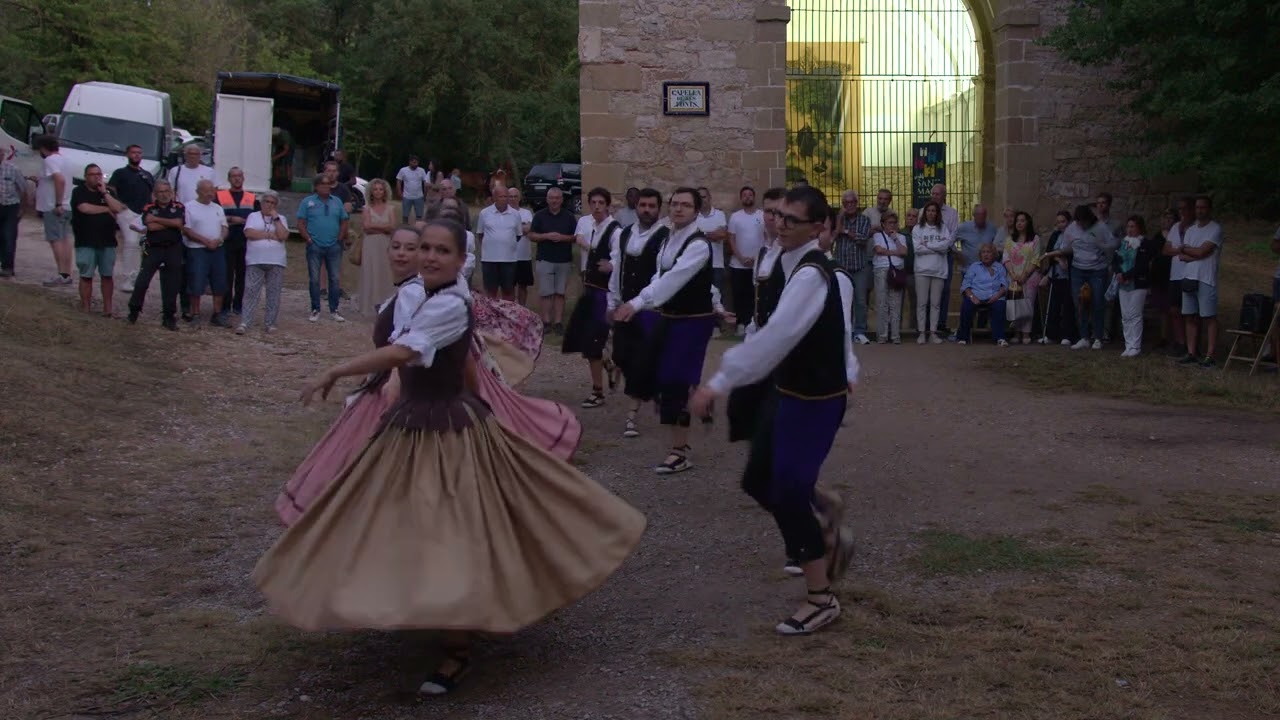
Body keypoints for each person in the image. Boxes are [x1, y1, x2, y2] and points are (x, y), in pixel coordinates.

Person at [254, 220, 646, 696]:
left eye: (442, 251)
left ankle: (458, 647)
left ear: (461, 261)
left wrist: (336, 371)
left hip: (447, 428)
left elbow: (405, 352)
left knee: (456, 529)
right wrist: (478, 403)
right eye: (424, 248)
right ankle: (410, 599)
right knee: (388, 517)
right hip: (409, 422)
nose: (429, 257)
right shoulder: (416, 294)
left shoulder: (451, 304)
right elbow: (463, 364)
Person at [690, 185, 857, 636]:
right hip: (786, 390)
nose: (779, 224)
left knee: (786, 492)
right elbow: (766, 330)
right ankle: (822, 520)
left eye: (790, 220)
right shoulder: (781, 259)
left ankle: (821, 598)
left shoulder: (813, 274)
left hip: (816, 400)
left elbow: (779, 335)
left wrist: (718, 382)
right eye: (777, 215)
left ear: (817, 228)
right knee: (757, 479)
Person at [613, 187, 732, 475]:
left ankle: (679, 452)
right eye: (675, 203)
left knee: (675, 381)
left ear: (696, 211)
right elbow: (659, 277)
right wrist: (637, 301)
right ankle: (696, 398)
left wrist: (637, 303)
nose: (678, 209)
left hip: (692, 322)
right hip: (670, 316)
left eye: (685, 205)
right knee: (649, 371)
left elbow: (674, 280)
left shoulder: (698, 244)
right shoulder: (669, 239)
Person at [608, 188, 668, 439]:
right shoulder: (624, 234)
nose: (646, 210)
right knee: (621, 356)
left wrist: (641, 302)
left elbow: (661, 276)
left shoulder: (665, 237)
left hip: (649, 310)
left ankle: (631, 416)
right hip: (624, 307)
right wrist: (612, 302)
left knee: (640, 361)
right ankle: (651, 385)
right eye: (643, 205)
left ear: (658, 209)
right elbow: (617, 270)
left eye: (651, 206)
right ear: (636, 207)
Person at [563, 187, 620, 409]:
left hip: (604, 294)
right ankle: (609, 365)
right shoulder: (594, 227)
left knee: (593, 341)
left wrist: (611, 266)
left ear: (607, 205)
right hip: (591, 289)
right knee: (586, 339)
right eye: (593, 203)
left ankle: (598, 391)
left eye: (600, 203)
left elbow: (619, 260)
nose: (597, 207)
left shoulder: (615, 231)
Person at [127, 180, 185, 331]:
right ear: (155, 194)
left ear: (171, 192)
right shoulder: (149, 207)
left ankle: (169, 317)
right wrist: (169, 223)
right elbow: (150, 226)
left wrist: (158, 220)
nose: (164, 195)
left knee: (171, 284)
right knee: (142, 281)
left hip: (173, 248)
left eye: (166, 191)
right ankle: (134, 311)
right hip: (154, 249)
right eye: (160, 192)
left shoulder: (178, 206)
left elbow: (179, 223)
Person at [70, 164, 125, 315]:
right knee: (86, 276)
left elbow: (118, 208)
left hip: (107, 241)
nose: (96, 177)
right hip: (86, 240)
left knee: (107, 276)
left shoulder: (108, 192)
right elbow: (84, 208)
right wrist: (106, 209)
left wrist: (105, 193)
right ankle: (86, 307)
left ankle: (107, 309)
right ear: (86, 177)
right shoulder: (79, 191)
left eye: (99, 174)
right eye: (93, 174)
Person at [1061, 204, 1118, 350]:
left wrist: (1102, 248)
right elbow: (1065, 246)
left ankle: (1098, 337)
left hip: (1097, 270)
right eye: (1079, 222)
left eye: (1083, 222)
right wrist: (1064, 257)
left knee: (1098, 302)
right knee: (1080, 302)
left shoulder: (1100, 227)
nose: (1081, 225)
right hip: (1078, 269)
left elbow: (1112, 244)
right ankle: (1084, 337)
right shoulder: (1072, 228)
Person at [1176, 195, 1225, 368]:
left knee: (1209, 317)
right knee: (1189, 315)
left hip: (1206, 277)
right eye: (1197, 207)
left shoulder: (1215, 229)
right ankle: (1191, 352)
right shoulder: (1190, 230)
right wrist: (1194, 253)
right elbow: (1182, 255)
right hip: (1189, 276)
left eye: (1203, 207)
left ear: (1209, 209)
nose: (1199, 211)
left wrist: (1192, 251)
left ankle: (1210, 355)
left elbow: (1202, 252)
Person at [297, 174, 350, 323]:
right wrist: (308, 239)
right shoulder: (307, 202)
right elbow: (300, 223)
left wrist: (340, 238)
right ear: (316, 186)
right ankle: (315, 309)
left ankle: (334, 309)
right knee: (314, 279)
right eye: (323, 184)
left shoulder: (337, 201)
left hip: (334, 245)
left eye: (328, 184)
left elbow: (344, 220)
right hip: (314, 245)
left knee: (335, 278)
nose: (326, 187)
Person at [237, 190, 291, 335]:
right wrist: (268, 235)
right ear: (261, 203)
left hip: (276, 261)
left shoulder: (281, 218)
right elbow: (249, 233)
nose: (269, 205)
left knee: (273, 293)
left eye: (273, 203)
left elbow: (283, 235)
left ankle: (270, 323)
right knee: (251, 291)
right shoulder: (253, 216)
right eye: (267, 202)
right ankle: (245, 322)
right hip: (255, 260)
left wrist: (276, 219)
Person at [182, 179, 230, 326]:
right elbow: (187, 230)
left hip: (217, 249)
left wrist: (219, 239)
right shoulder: (189, 207)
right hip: (197, 249)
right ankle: (195, 313)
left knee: (219, 281)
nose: (211, 193)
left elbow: (224, 227)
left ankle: (217, 314)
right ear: (198, 192)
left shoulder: (217, 208)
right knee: (196, 281)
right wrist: (205, 241)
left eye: (212, 190)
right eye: (207, 190)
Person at [106, 144, 154, 291]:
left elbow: (152, 193)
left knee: (139, 245)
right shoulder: (120, 173)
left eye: (139, 152)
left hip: (143, 214)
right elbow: (111, 189)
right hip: (126, 212)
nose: (136, 155)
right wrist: (118, 205)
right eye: (133, 152)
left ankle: (136, 278)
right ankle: (127, 278)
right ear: (127, 154)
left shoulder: (146, 175)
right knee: (130, 242)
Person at [528, 187, 577, 333]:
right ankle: (546, 321)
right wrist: (546, 236)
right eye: (551, 198)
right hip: (545, 259)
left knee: (560, 292)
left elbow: (575, 237)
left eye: (557, 198)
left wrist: (562, 238)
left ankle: (558, 322)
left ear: (562, 200)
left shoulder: (569, 216)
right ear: (547, 199)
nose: (554, 201)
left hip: (564, 260)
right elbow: (531, 235)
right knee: (546, 292)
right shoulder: (539, 215)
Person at [1112, 215, 1160, 358]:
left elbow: (1142, 265)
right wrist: (1119, 273)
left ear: (1140, 228)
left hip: (1138, 283)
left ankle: (1135, 345)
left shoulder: (1145, 244)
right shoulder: (1123, 243)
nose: (1130, 229)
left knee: (1135, 314)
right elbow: (1115, 260)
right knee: (1125, 315)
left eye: (1133, 226)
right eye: (1128, 226)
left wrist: (1127, 275)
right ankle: (1128, 344)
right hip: (1123, 284)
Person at [216, 168, 258, 319]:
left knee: (243, 276)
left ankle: (239, 305)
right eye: (234, 176)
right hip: (227, 241)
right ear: (229, 179)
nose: (237, 179)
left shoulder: (252, 198)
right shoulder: (220, 196)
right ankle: (225, 306)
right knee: (226, 275)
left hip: (245, 242)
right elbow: (215, 216)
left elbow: (257, 218)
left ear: (243, 178)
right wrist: (231, 219)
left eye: (239, 176)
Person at [33, 135, 75, 286]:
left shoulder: (50, 160)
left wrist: (58, 203)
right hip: (67, 205)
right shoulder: (66, 160)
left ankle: (62, 274)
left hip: (54, 206)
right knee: (65, 239)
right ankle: (67, 273)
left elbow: (59, 179)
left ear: (43, 148)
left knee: (56, 240)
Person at [727, 186, 767, 337]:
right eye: (745, 195)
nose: (748, 197)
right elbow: (731, 239)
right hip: (738, 264)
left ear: (754, 197)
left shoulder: (762, 216)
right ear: (741, 198)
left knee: (754, 295)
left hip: (758, 264)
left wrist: (756, 258)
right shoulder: (735, 217)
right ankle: (741, 323)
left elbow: (767, 238)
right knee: (739, 295)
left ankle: (754, 323)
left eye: (750, 195)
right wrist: (741, 258)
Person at [910, 202, 952, 344]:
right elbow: (917, 249)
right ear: (925, 212)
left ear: (937, 213)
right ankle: (922, 332)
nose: (931, 213)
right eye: (928, 210)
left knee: (935, 304)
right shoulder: (917, 228)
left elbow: (945, 246)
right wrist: (937, 247)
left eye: (934, 211)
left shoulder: (943, 228)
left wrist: (927, 244)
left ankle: (933, 333)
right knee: (922, 303)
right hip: (922, 270)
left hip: (939, 271)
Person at [476, 182, 524, 301]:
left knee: (508, 290)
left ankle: (508, 311)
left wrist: (506, 244)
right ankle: (491, 312)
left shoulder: (515, 214)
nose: (504, 199)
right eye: (501, 196)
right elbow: (480, 234)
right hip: (489, 260)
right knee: (490, 291)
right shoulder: (484, 213)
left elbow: (518, 235)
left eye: (506, 196)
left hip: (509, 260)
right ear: (494, 198)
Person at [956, 242, 1010, 347]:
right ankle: (963, 337)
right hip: (976, 296)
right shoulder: (974, 267)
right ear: (980, 255)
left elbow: (1005, 285)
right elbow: (965, 285)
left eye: (988, 252)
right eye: (983, 252)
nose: (986, 254)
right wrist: (972, 297)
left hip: (995, 297)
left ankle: (1000, 338)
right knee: (966, 305)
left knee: (1000, 306)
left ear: (994, 254)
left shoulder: (999, 267)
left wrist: (997, 296)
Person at [1038, 211, 1079, 346]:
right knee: (1053, 305)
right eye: (1058, 222)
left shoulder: (1073, 236)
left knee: (1068, 305)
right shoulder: (1055, 235)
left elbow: (1071, 252)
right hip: (1056, 273)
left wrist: (1061, 258)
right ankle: (1051, 334)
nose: (1060, 225)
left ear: (1069, 222)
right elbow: (1050, 251)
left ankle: (1068, 335)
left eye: (1063, 221)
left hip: (1069, 274)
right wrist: (1057, 259)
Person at [1002, 211, 1043, 344]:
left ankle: (1026, 333)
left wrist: (1025, 275)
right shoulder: (1010, 239)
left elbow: (1036, 259)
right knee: (1014, 303)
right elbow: (1006, 258)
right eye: (1017, 221)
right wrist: (1013, 274)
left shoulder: (1035, 239)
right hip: (1013, 276)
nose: (1019, 223)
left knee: (1027, 304)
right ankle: (1016, 333)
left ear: (1028, 222)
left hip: (1029, 276)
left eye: (1022, 220)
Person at [1161, 197, 1195, 357]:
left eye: (1185, 208)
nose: (1182, 212)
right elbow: (1166, 250)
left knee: (1190, 311)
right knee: (1174, 309)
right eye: (1180, 209)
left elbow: (1196, 251)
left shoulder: (1195, 228)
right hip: (1175, 274)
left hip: (1190, 273)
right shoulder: (1175, 227)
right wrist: (1181, 250)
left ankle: (1192, 345)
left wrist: (1179, 250)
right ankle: (1180, 342)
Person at [357, 179, 396, 315]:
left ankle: (386, 304)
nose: (378, 192)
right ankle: (369, 304)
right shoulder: (366, 208)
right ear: (371, 192)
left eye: (381, 189)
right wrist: (384, 227)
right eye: (375, 189)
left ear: (385, 191)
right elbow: (366, 227)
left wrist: (376, 227)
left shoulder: (391, 208)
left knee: (386, 272)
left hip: (386, 244)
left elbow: (392, 227)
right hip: (370, 245)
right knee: (371, 270)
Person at [871, 211, 908, 344]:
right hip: (881, 269)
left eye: (894, 223)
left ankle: (895, 335)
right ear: (883, 224)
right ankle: (882, 335)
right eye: (889, 223)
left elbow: (904, 252)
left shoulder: (901, 237)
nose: (892, 225)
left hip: (897, 270)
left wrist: (895, 239)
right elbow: (878, 250)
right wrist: (895, 252)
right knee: (882, 303)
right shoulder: (877, 236)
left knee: (895, 303)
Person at [509, 187, 535, 306]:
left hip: (524, 256)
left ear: (519, 198)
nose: (513, 199)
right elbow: (523, 229)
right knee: (508, 286)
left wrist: (512, 228)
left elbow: (529, 229)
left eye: (515, 196)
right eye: (510, 196)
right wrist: (522, 225)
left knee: (523, 286)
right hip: (507, 256)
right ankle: (510, 309)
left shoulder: (526, 213)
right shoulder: (504, 213)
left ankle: (522, 309)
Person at [396, 156, 429, 224]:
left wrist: (425, 194)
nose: (415, 164)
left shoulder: (421, 170)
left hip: (419, 196)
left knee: (419, 215)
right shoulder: (403, 170)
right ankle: (405, 227)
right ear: (410, 162)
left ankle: (418, 227)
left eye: (417, 162)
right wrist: (399, 192)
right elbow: (399, 181)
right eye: (414, 162)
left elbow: (425, 182)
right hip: (407, 196)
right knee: (405, 215)